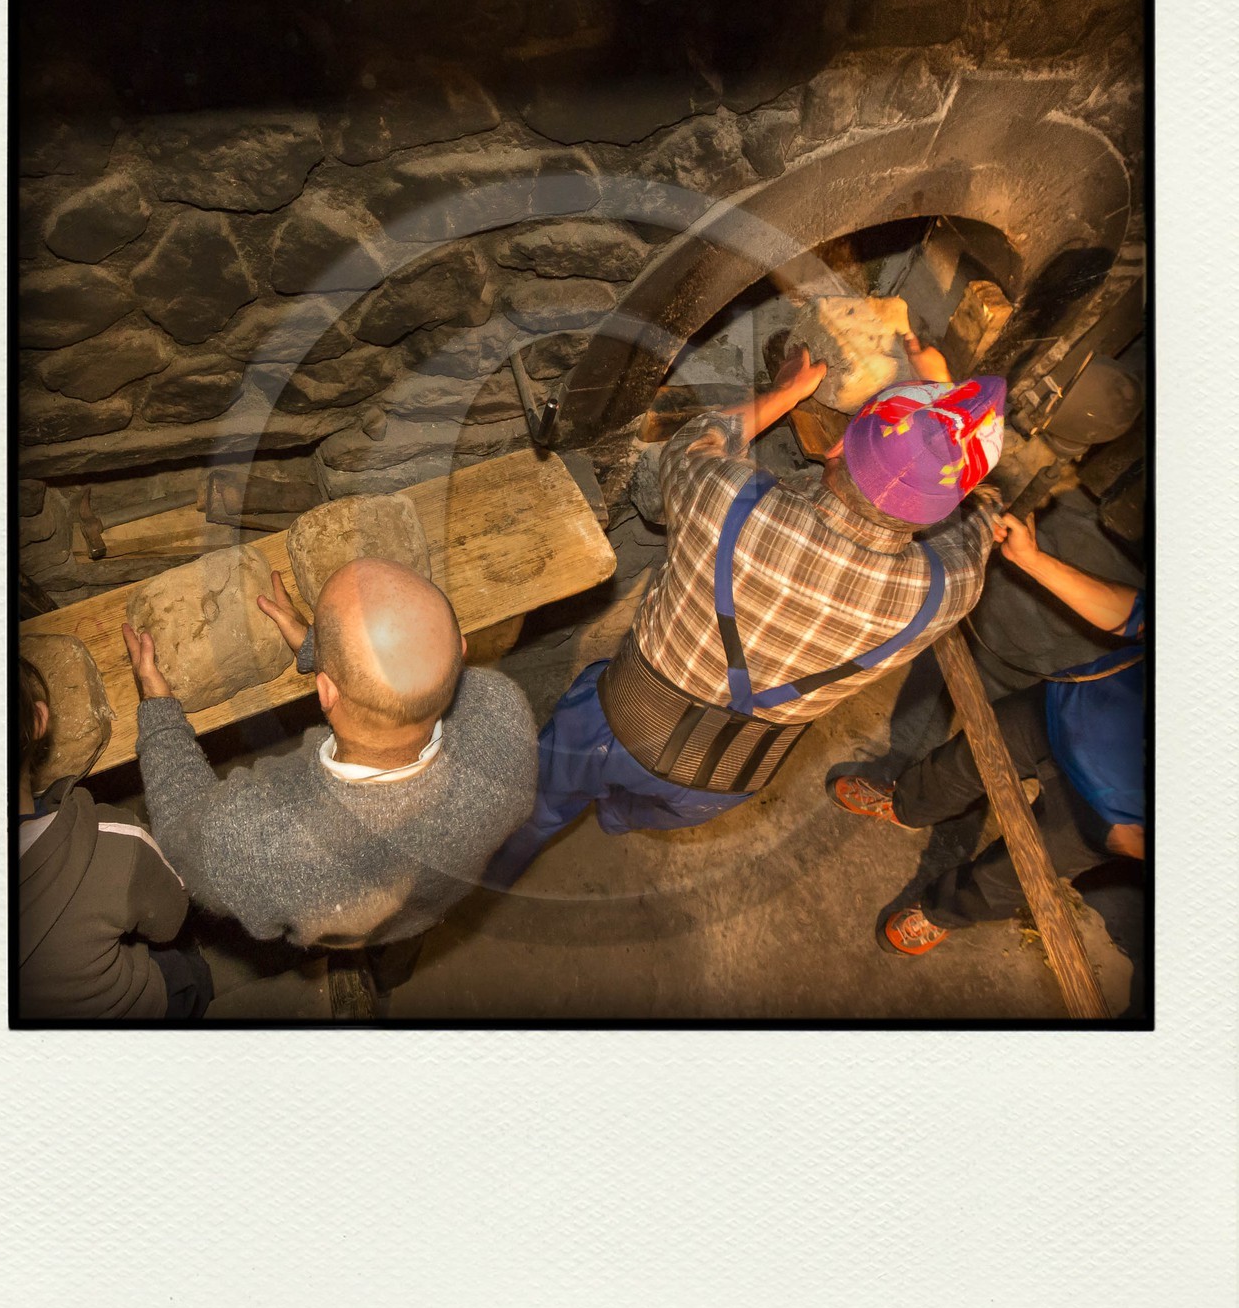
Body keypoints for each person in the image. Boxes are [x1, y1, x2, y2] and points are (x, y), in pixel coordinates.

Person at [484, 334, 1006, 889]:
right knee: (631, 811)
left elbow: (699, 440)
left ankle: (493, 875)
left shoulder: (729, 500)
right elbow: (984, 515)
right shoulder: (949, 592)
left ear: (836, 446)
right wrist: (945, 422)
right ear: (937, 511)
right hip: (721, 784)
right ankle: (614, 815)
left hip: (615, 723)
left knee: (537, 811)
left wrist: (786, 392)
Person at [122, 557, 537, 996]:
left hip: (343, 920)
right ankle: (392, 975)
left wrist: (160, 714)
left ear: (325, 691)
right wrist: (321, 651)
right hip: (430, 904)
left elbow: (180, 830)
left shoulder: (260, 842)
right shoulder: (505, 718)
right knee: (404, 935)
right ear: (461, 652)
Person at [828, 512, 1145, 957]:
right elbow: (1140, 615)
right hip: (1065, 708)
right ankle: (905, 805)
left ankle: (941, 912)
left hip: (1112, 815)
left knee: (1011, 876)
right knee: (958, 765)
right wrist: (1032, 560)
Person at [17, 655, 211, 1020]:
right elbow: (171, 915)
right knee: (182, 961)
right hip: (141, 1010)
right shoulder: (109, 844)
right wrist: (162, 715)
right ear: (40, 720)